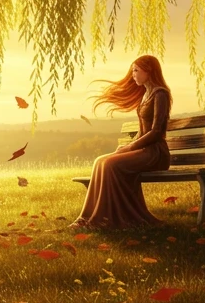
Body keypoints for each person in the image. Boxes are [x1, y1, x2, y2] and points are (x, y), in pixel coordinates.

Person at [71, 54, 172, 229]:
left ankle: (105, 218)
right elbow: (142, 131)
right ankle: (87, 217)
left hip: (156, 153)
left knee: (111, 164)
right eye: (133, 70)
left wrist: (131, 147)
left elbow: (156, 132)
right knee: (100, 161)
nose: (133, 74)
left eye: (136, 70)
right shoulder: (145, 95)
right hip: (144, 151)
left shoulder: (160, 94)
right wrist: (127, 146)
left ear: (149, 71)